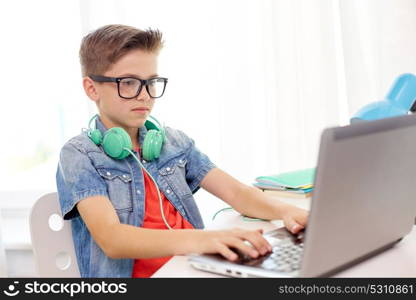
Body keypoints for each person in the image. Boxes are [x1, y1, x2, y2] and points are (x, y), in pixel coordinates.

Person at [56, 24, 308, 278]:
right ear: (92, 88)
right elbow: (113, 239)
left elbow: (236, 192)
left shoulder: (172, 143)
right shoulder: (79, 154)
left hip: (193, 270)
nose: (145, 96)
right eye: (129, 83)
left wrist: (288, 212)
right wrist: (204, 239)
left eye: (151, 82)